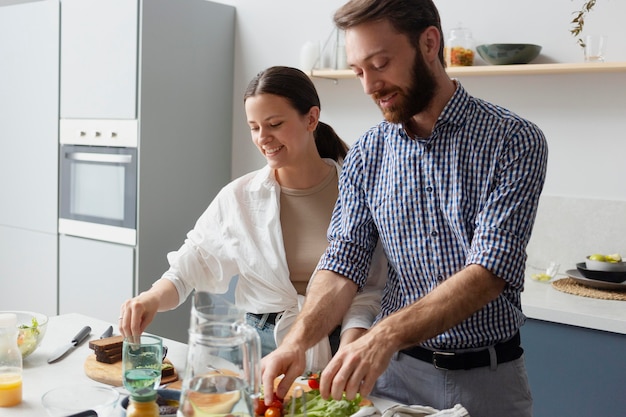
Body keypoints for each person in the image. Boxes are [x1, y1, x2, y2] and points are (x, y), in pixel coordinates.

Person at [261, 2, 548, 417]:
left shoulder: (514, 141)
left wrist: (383, 336)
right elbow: (343, 260)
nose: (369, 86)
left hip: (489, 383)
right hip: (394, 380)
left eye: (380, 64)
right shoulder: (366, 152)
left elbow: (488, 272)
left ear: (429, 43)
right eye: (359, 71)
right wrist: (296, 342)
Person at [118, 66, 384, 369]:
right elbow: (190, 266)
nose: (263, 138)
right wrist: (150, 299)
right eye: (254, 127)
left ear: (311, 118)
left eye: (274, 124)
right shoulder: (239, 197)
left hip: (341, 344)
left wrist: (349, 353)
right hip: (257, 347)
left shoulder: (358, 193)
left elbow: (371, 289)